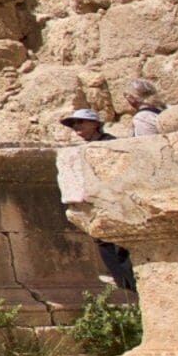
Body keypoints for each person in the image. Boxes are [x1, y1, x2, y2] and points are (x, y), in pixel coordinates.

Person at [54, 107, 137, 292]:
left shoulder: (110, 144)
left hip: (117, 207)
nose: (76, 127)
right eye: (73, 124)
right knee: (109, 253)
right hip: (98, 210)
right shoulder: (84, 148)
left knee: (122, 254)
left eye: (80, 122)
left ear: (94, 124)